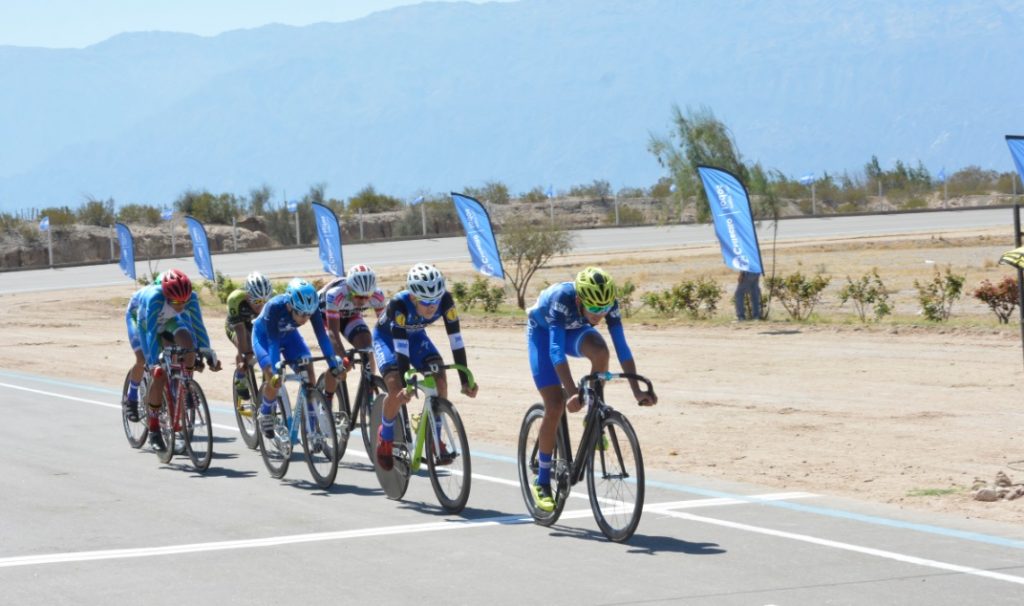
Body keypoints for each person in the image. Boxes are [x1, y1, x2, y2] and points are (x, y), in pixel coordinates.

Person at [525, 266, 657, 511]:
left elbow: (621, 346)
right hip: (544, 334)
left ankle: (593, 416)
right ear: (579, 299)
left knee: (601, 351)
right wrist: (572, 390)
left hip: (575, 330)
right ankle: (542, 481)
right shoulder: (561, 299)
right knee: (554, 404)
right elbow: (555, 350)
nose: (600, 314)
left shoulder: (607, 303)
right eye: (594, 308)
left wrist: (636, 389)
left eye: (604, 309)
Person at [372, 263, 478, 471]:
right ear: (413, 297)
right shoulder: (399, 305)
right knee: (395, 389)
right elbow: (401, 349)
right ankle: (384, 436)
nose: (432, 306)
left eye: (435, 300)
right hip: (388, 339)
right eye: (426, 301)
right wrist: (405, 384)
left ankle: (434, 438)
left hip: (416, 337)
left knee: (439, 377)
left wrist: (465, 380)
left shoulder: (446, 301)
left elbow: (456, 340)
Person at [126, 268, 222, 450]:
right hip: (142, 320)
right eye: (177, 302)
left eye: (184, 302)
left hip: (168, 319)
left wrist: (206, 352)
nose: (181, 306)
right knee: (150, 366)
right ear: (167, 295)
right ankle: (147, 419)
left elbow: (198, 326)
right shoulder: (154, 298)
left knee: (188, 345)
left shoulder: (189, 298)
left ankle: (185, 387)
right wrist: (153, 362)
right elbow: (150, 333)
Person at [252, 278, 345, 438]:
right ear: (289, 305)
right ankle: (266, 412)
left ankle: (312, 423)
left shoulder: (311, 308)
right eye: (301, 313)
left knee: (309, 371)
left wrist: (332, 362)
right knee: (272, 375)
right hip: (264, 338)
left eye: (308, 315)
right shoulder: (274, 307)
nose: (304, 318)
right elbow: (273, 342)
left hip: (289, 337)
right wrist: (276, 370)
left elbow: (322, 336)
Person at [317, 264, 388, 391]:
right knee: (340, 365)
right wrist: (343, 356)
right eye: (359, 296)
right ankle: (326, 402)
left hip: (350, 314)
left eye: (367, 296)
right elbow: (333, 333)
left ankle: (368, 391)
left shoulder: (378, 295)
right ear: (349, 288)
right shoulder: (335, 294)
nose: (363, 301)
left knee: (367, 346)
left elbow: (386, 328)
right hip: (324, 315)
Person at [225, 271, 274, 400]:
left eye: (265, 300)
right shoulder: (235, 299)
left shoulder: (272, 300)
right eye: (257, 301)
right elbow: (240, 332)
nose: (261, 305)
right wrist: (243, 355)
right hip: (236, 326)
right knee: (246, 348)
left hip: (255, 324)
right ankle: (240, 378)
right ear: (248, 296)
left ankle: (265, 385)